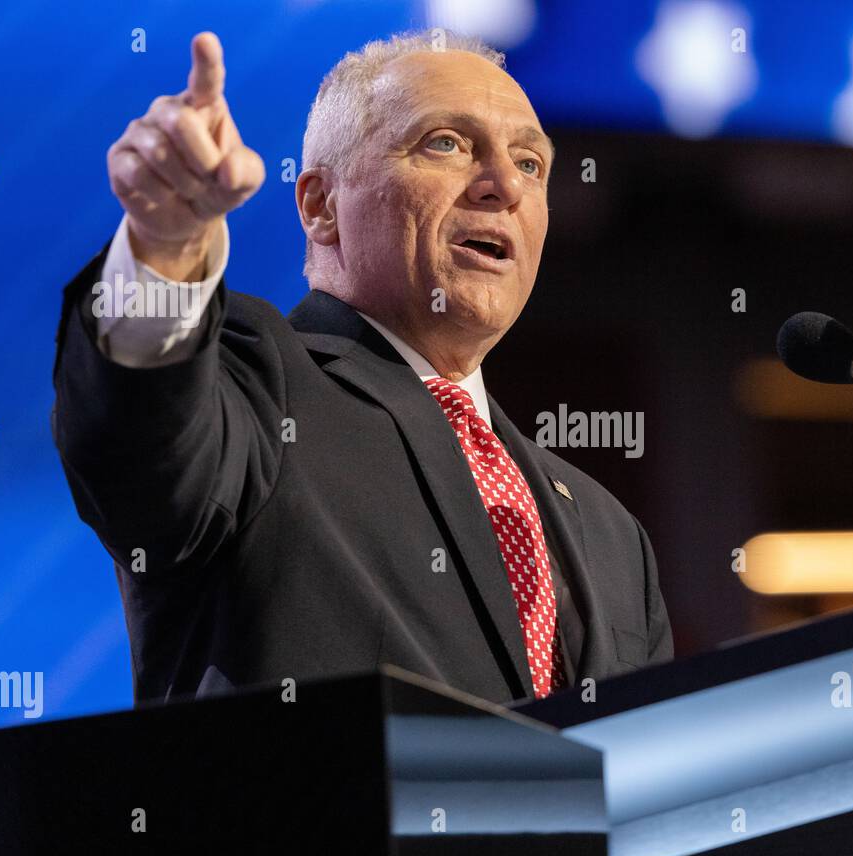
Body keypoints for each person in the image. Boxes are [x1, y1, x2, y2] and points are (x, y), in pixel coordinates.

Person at [52, 30, 673, 705]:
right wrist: (164, 248)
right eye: (446, 143)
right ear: (321, 205)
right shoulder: (258, 386)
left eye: (530, 163)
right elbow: (140, 449)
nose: (503, 187)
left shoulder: (613, 535)